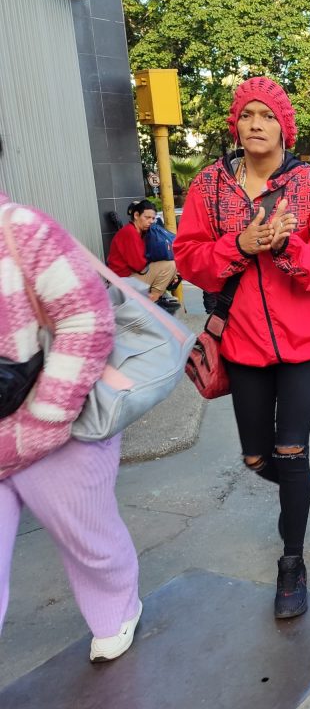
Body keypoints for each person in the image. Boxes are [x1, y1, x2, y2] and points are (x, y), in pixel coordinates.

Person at [173, 77, 310, 619]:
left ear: (283, 126)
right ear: (236, 123)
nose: (255, 123)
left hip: (305, 343)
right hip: (243, 343)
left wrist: (287, 246)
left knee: (291, 449)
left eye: (266, 115)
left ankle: (292, 564)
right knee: (257, 458)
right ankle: (300, 484)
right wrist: (240, 244)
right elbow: (187, 256)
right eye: (247, 114)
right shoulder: (209, 186)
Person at [0, 194, 142, 663]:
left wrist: (45, 419)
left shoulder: (21, 228)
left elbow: (87, 318)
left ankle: (117, 610)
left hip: (52, 424)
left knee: (90, 541)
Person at [106, 199, 179, 310]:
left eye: (153, 218)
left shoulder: (141, 233)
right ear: (136, 215)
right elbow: (140, 266)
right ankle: (153, 300)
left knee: (171, 267)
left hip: (128, 280)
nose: (150, 221)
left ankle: (157, 297)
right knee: (169, 265)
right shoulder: (130, 233)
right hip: (121, 284)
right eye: (147, 217)